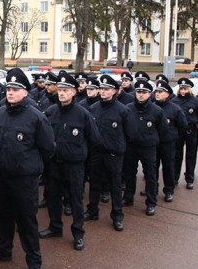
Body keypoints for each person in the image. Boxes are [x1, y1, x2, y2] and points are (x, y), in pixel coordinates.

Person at [0, 68, 55, 269]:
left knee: (27, 221)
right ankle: (3, 249)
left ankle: (34, 262)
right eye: (8, 88)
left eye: (15, 89)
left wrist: (32, 167)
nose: (10, 92)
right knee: (3, 216)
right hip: (3, 176)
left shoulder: (35, 117)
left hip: (24, 180)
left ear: (26, 92)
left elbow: (48, 148)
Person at [39, 73, 99, 251]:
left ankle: (78, 233)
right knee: (53, 197)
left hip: (74, 165)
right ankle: (55, 227)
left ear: (74, 92)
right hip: (54, 164)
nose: (62, 93)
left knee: (75, 200)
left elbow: (94, 139)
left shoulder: (83, 114)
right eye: (60, 90)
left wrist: (81, 155)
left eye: (66, 90)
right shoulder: (51, 112)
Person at [85, 75, 135, 231]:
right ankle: (92, 210)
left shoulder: (123, 110)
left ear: (114, 91)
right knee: (94, 183)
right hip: (97, 153)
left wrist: (119, 147)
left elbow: (130, 133)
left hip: (114, 154)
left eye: (107, 89)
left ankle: (117, 216)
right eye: (102, 89)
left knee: (115, 186)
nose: (103, 92)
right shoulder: (93, 109)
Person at [123, 80, 166, 216]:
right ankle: (128, 197)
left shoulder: (157, 111)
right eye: (138, 92)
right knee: (129, 173)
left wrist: (153, 141)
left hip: (148, 147)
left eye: (144, 92)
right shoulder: (128, 108)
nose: (141, 95)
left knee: (150, 175)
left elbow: (163, 130)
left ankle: (151, 202)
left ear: (150, 94)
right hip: (131, 146)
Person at [153, 80, 188, 202]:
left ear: (167, 94)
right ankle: (153, 189)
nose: (157, 94)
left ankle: (169, 190)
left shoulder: (175, 109)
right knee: (152, 167)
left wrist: (173, 136)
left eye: (160, 92)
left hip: (168, 143)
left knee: (168, 167)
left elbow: (183, 126)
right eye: (156, 91)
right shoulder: (151, 106)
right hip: (153, 143)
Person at [172, 77, 198, 189]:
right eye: (181, 88)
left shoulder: (197, 102)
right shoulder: (174, 101)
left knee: (191, 155)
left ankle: (189, 178)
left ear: (190, 89)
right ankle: (175, 177)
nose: (183, 91)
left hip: (191, 130)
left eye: (185, 89)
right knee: (177, 155)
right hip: (178, 131)